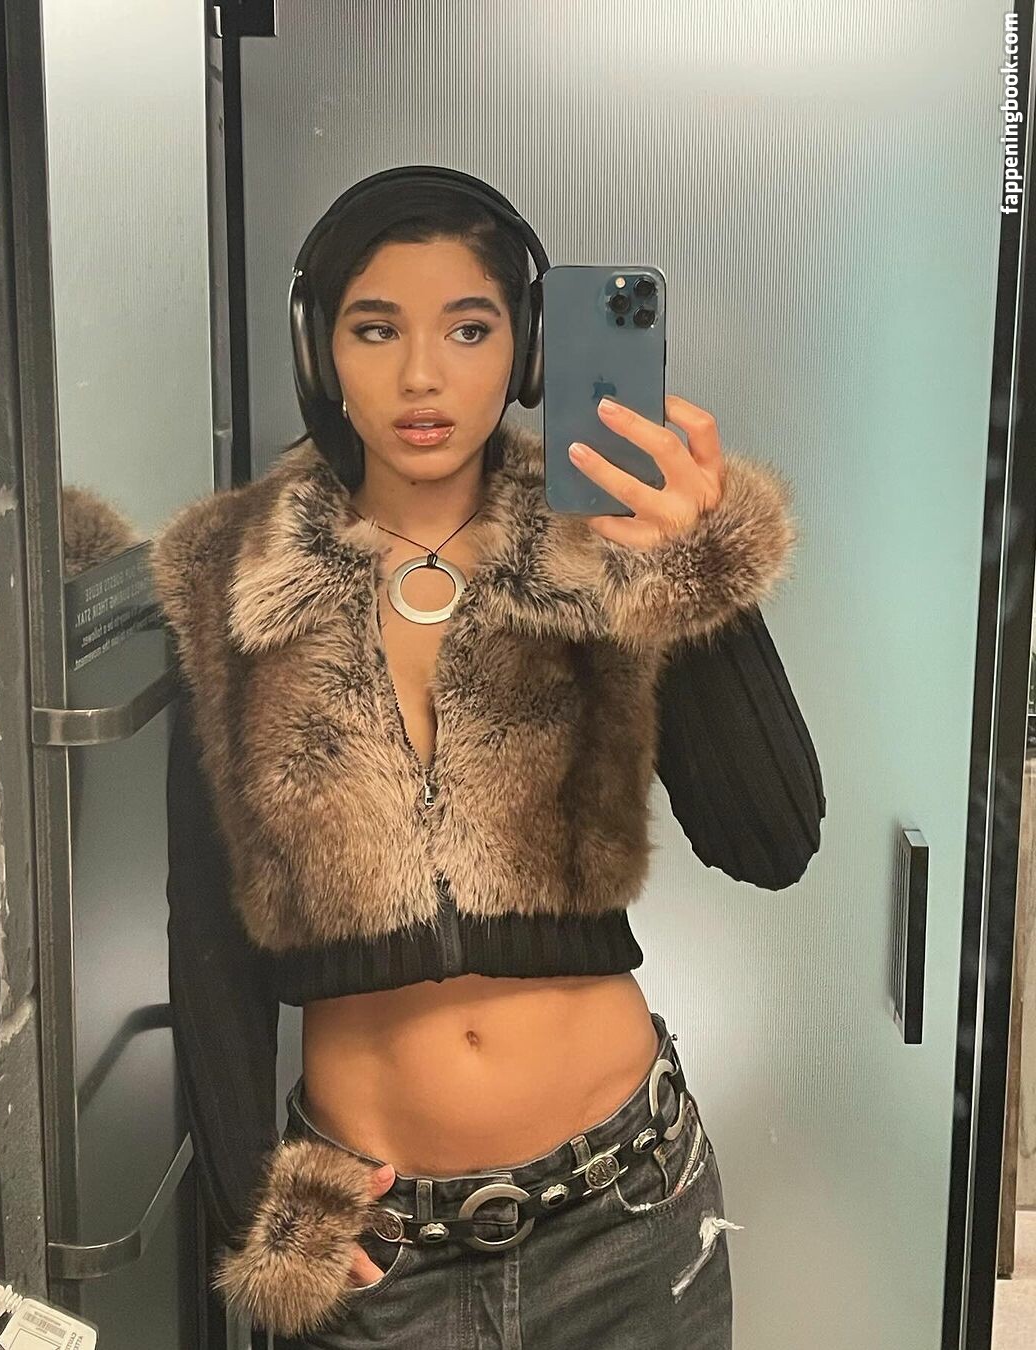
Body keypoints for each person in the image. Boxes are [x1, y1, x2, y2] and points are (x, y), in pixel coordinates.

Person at [152, 167, 825, 1349]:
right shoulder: (234, 576)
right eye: (377, 329)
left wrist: (692, 569)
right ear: (319, 350)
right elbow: (209, 936)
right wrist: (255, 1206)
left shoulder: (596, 537)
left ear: (527, 352)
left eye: (469, 329)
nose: (423, 376)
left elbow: (771, 842)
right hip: (380, 1259)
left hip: (626, 1217)